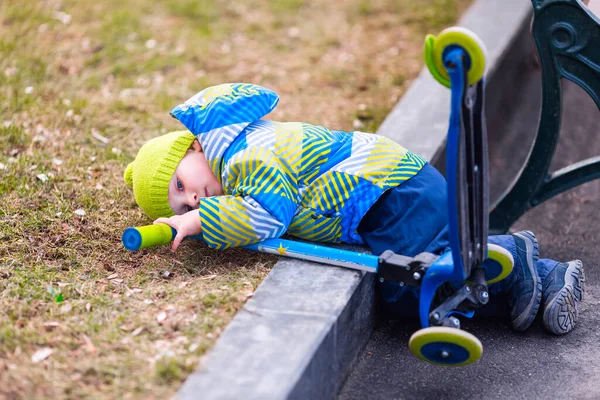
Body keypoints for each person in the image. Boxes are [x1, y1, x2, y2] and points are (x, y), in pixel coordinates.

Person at [124, 83, 585, 335]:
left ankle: (514, 257)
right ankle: (536, 279)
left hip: (389, 192)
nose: (192, 198)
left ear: (196, 145)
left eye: (182, 184)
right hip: (386, 195)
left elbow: (268, 214)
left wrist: (197, 222)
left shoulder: (249, 155)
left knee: (411, 284)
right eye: (182, 202)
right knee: (414, 283)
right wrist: (202, 216)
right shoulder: (237, 161)